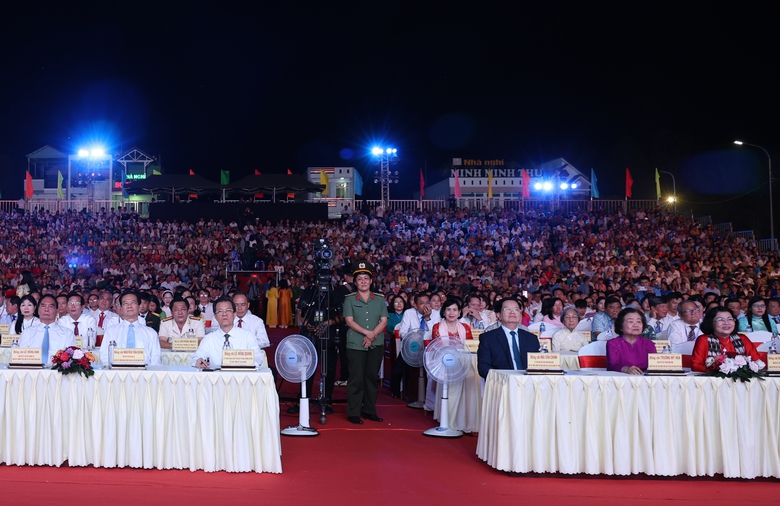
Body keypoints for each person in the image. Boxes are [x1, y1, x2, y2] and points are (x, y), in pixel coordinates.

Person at [343, 260, 387, 425]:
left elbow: (383, 320)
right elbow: (349, 321)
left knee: (371, 378)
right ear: (355, 282)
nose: (363, 281)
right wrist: (367, 333)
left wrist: (372, 335)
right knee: (356, 378)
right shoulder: (350, 299)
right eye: (359, 279)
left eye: (366, 279)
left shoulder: (379, 299)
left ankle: (369, 410)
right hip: (356, 343)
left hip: (376, 344)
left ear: (370, 281)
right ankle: (353, 412)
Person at [192, 296, 263, 369]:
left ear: (235, 314)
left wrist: (243, 363)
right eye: (220, 311)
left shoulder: (248, 336)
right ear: (215, 316)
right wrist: (198, 361)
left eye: (228, 310)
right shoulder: (209, 339)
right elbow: (196, 358)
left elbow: (258, 358)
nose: (224, 314)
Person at [477, 297, 539, 378]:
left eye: (516, 309)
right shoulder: (488, 338)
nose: (512, 312)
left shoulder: (531, 338)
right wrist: (502, 379)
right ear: (498, 315)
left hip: (528, 383)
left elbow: (538, 364)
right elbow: (483, 368)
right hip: (502, 383)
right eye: (507, 309)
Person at [692, 306, 762, 372]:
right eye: (720, 319)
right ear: (711, 322)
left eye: (730, 319)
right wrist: (719, 369)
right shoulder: (704, 340)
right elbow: (695, 365)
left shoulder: (742, 338)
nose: (726, 323)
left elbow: (757, 362)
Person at [100, 291, 161, 366]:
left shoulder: (151, 333)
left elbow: (156, 359)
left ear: (139, 307)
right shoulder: (111, 331)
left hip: (144, 374)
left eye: (133, 302)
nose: (129, 306)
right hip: (116, 373)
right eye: (125, 303)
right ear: (121, 308)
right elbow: (104, 356)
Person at [18, 294, 76, 365]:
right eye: (43, 306)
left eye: (51, 306)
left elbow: (70, 359)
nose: (46, 309)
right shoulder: (27, 332)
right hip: (32, 372)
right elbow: (21, 358)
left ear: (57, 310)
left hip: (58, 373)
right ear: (38, 310)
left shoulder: (67, 333)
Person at [606, 308, 657, 374]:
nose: (636, 325)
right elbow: (612, 365)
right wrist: (626, 369)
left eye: (639, 322)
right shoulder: (613, 344)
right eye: (631, 322)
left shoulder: (649, 344)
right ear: (621, 326)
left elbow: (654, 366)